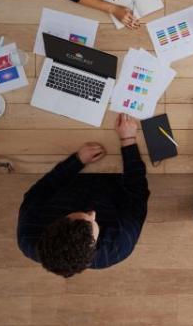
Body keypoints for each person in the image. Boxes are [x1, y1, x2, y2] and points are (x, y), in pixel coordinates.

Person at [17, 114, 149, 277]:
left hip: (72, 176)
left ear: (55, 223)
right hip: (114, 179)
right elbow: (137, 190)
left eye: (82, 214)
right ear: (93, 248)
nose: (93, 213)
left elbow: (43, 189)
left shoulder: (29, 233)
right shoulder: (119, 243)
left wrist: (76, 161)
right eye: (93, 222)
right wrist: (128, 140)